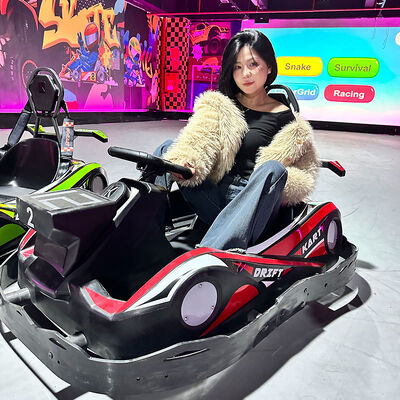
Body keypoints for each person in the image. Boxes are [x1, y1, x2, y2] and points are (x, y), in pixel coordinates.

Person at [154, 29, 319, 250]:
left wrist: (280, 184)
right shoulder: (221, 105)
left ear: (269, 66)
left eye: (253, 64)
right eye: (237, 67)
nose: (245, 74)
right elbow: (197, 138)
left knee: (274, 169)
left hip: (253, 202)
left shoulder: (288, 120)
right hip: (216, 195)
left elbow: (305, 173)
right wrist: (187, 161)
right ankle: (149, 229)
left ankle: (211, 252)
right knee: (167, 149)